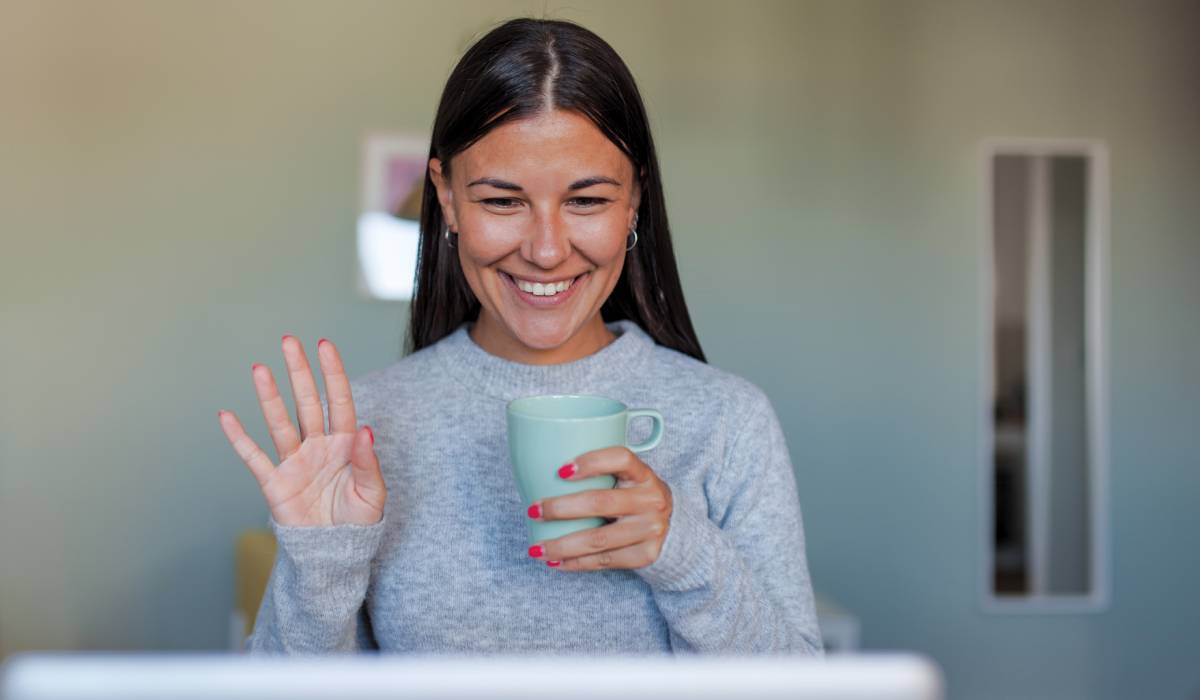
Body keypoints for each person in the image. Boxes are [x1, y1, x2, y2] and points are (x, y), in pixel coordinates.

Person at [216, 17, 823, 655]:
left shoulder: (728, 421)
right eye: (502, 202)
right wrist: (321, 569)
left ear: (635, 201)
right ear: (446, 198)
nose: (546, 250)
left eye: (586, 201)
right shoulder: (367, 433)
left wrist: (685, 552)